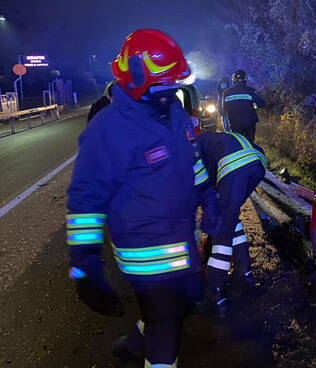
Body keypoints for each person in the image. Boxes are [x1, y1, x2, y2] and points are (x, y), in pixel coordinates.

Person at [66, 29, 219, 367]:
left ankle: (137, 341)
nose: (173, 92)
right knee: (167, 327)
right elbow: (85, 202)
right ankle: (153, 350)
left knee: (185, 305)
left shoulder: (173, 113)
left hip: (183, 242)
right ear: (136, 78)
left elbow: (191, 163)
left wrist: (209, 198)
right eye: (165, 85)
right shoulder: (109, 129)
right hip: (147, 252)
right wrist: (84, 266)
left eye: (175, 85)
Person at [196, 130, 267, 318]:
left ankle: (214, 292)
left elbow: (202, 184)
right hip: (257, 164)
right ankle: (244, 274)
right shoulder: (207, 139)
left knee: (222, 231)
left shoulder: (190, 149)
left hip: (234, 168)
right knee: (230, 219)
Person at [220, 69, 265, 141]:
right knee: (250, 142)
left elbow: (224, 108)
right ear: (245, 79)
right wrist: (254, 106)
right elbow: (261, 104)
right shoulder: (251, 91)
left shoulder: (226, 93)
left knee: (238, 143)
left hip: (234, 122)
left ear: (234, 79)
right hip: (250, 122)